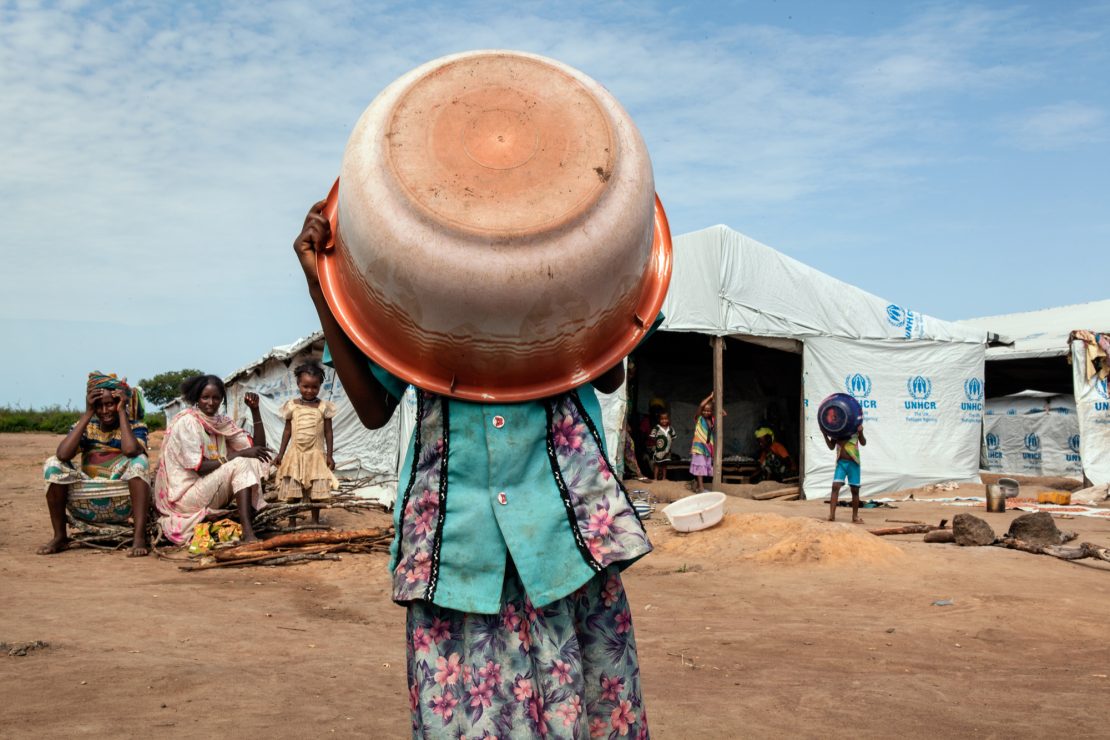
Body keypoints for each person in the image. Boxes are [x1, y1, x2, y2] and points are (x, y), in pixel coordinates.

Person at [293, 203, 651, 739]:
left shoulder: (564, 270)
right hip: (458, 547)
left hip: (562, 540)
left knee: (577, 711)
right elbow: (372, 408)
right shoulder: (419, 298)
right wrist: (320, 281)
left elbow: (609, 374)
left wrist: (588, 263)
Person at [38, 372, 152, 557]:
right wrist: (88, 412)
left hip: (121, 498)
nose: (105, 410)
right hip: (86, 498)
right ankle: (60, 537)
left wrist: (122, 412)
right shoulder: (87, 426)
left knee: (140, 461)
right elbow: (63, 454)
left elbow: (131, 450)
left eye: (110, 404)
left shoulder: (136, 427)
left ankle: (139, 537)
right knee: (53, 463)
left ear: (120, 403)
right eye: (99, 406)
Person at [154, 375, 272, 545]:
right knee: (240, 461)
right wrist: (235, 456)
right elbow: (199, 468)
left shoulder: (221, 422)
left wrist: (255, 410)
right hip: (184, 498)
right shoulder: (188, 422)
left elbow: (258, 450)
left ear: (222, 399)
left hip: (207, 489)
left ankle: (248, 524)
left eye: (216, 398)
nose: (211, 402)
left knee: (251, 460)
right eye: (205, 397)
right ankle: (248, 533)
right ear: (197, 398)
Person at [272, 362, 338, 525]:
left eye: (314, 387)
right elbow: (287, 431)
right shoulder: (292, 406)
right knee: (293, 490)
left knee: (317, 489)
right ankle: (292, 521)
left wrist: (329, 455)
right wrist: (280, 454)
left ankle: (314, 520)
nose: (309, 390)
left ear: (320, 386)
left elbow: (328, 432)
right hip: (295, 454)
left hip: (316, 455)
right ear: (298, 384)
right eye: (305, 386)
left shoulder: (323, 407)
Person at [823, 424, 866, 523]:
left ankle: (855, 517)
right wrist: (825, 435)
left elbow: (863, 443)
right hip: (841, 463)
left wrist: (861, 432)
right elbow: (831, 446)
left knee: (855, 490)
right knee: (835, 486)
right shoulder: (837, 429)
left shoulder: (855, 427)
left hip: (854, 463)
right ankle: (832, 515)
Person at [689, 393, 716, 493]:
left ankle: (698, 486)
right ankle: (700, 488)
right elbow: (701, 405)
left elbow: (723, 413)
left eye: (708, 411)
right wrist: (710, 397)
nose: (705, 412)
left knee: (704, 466)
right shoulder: (699, 418)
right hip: (699, 446)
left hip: (708, 447)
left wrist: (714, 402)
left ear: (711, 412)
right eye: (704, 410)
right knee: (700, 466)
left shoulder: (712, 420)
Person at [648, 409, 676, 480]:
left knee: (664, 464)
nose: (664, 421)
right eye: (662, 419)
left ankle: (664, 478)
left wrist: (668, 445)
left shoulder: (671, 429)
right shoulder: (657, 428)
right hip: (659, 450)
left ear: (668, 419)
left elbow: (673, 437)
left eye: (666, 419)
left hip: (667, 450)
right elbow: (652, 437)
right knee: (657, 464)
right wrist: (658, 443)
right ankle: (655, 478)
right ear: (659, 420)